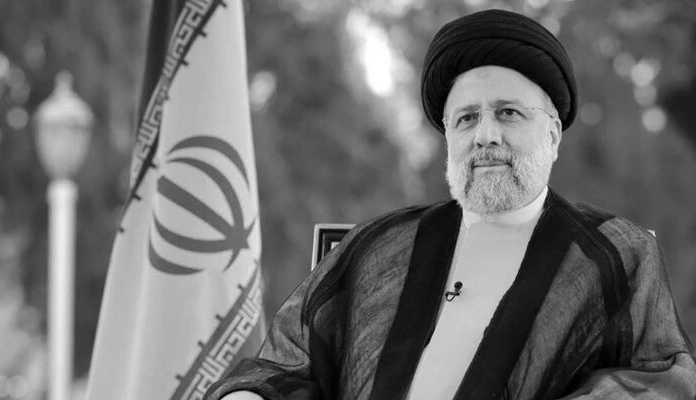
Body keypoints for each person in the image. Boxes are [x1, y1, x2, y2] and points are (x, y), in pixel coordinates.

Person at [205, 9, 696, 400]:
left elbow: (658, 379)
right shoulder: (377, 245)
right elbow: (291, 363)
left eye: (507, 113)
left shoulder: (613, 253)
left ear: (552, 133)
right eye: (466, 119)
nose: (485, 135)